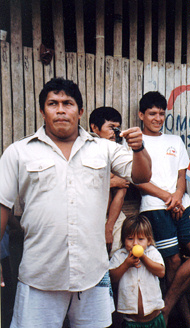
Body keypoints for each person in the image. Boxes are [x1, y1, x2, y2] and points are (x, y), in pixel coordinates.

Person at [0, 77, 151, 328]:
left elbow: (142, 175)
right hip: (40, 275)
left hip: (93, 275)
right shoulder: (18, 152)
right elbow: (2, 207)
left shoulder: (104, 149)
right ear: (42, 110)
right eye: (53, 103)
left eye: (68, 103)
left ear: (80, 111)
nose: (60, 110)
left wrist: (139, 149)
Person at [136, 91, 190, 326]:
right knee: (174, 262)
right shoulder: (137, 142)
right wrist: (169, 198)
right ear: (141, 115)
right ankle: (178, 317)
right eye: (152, 114)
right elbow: (138, 180)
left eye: (161, 113)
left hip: (183, 204)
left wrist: (178, 197)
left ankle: (165, 309)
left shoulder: (175, 141)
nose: (157, 118)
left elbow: (181, 176)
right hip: (154, 207)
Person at [109, 214, 166, 328]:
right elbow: (112, 278)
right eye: (130, 239)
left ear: (148, 241)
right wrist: (126, 265)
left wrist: (144, 258)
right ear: (123, 239)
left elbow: (161, 272)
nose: (135, 243)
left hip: (155, 318)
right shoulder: (120, 256)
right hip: (132, 322)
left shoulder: (152, 253)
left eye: (140, 239)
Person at [89, 106, 130, 257]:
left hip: (113, 217)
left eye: (118, 128)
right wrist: (111, 182)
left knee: (114, 254)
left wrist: (109, 227)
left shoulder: (120, 150)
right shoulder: (87, 148)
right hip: (89, 214)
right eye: (111, 127)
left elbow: (123, 187)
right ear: (95, 128)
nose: (116, 133)